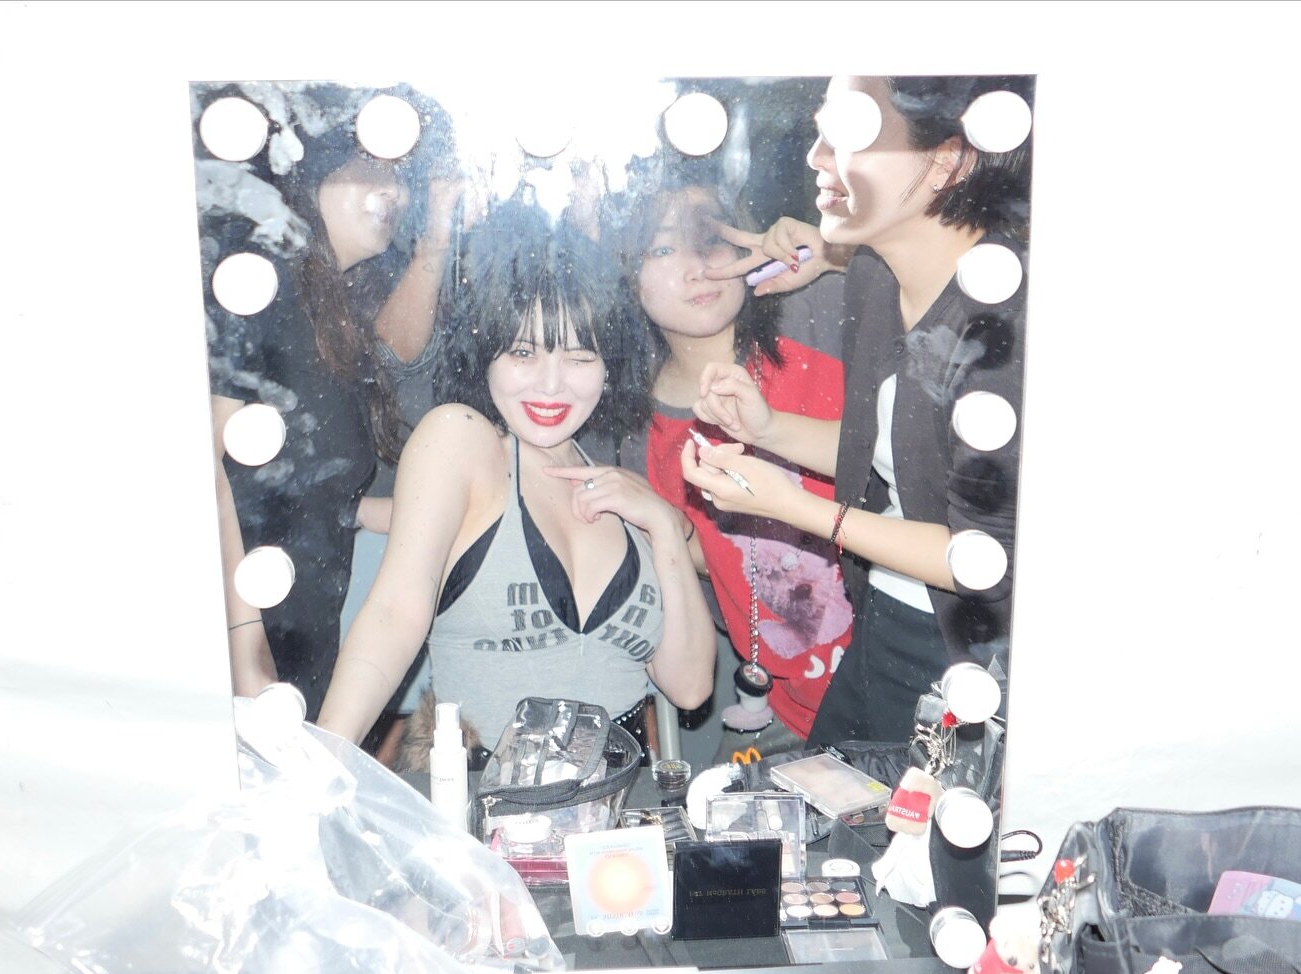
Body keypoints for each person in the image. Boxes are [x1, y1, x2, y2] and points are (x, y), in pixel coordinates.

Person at [684, 75, 1031, 754]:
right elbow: (894, 451)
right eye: (821, 130)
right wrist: (766, 429)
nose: (816, 156)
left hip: (968, 657)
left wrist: (799, 509)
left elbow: (986, 556)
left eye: (848, 133)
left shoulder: (1005, 320)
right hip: (882, 621)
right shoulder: (875, 277)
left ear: (948, 159)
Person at [317, 201, 715, 754]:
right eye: (523, 352)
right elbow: (394, 612)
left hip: (624, 798)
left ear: (608, 367)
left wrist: (665, 527)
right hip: (484, 790)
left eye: (580, 357)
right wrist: (327, 756)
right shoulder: (461, 443)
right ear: (486, 355)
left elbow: (690, 687)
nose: (550, 385)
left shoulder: (624, 493)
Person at [206, 85, 454, 717]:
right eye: (371, 166)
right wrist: (244, 644)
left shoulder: (332, 315)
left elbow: (311, 494)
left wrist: (436, 512)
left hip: (303, 640)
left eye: (403, 177)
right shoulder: (256, 278)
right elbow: (208, 468)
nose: (396, 193)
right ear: (314, 166)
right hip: (249, 644)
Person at [609, 172, 853, 755]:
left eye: (712, 239)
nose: (698, 267)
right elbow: (714, 578)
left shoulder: (818, 314)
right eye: (663, 248)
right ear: (625, 275)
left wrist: (837, 254)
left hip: (902, 680)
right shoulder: (635, 434)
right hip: (780, 717)